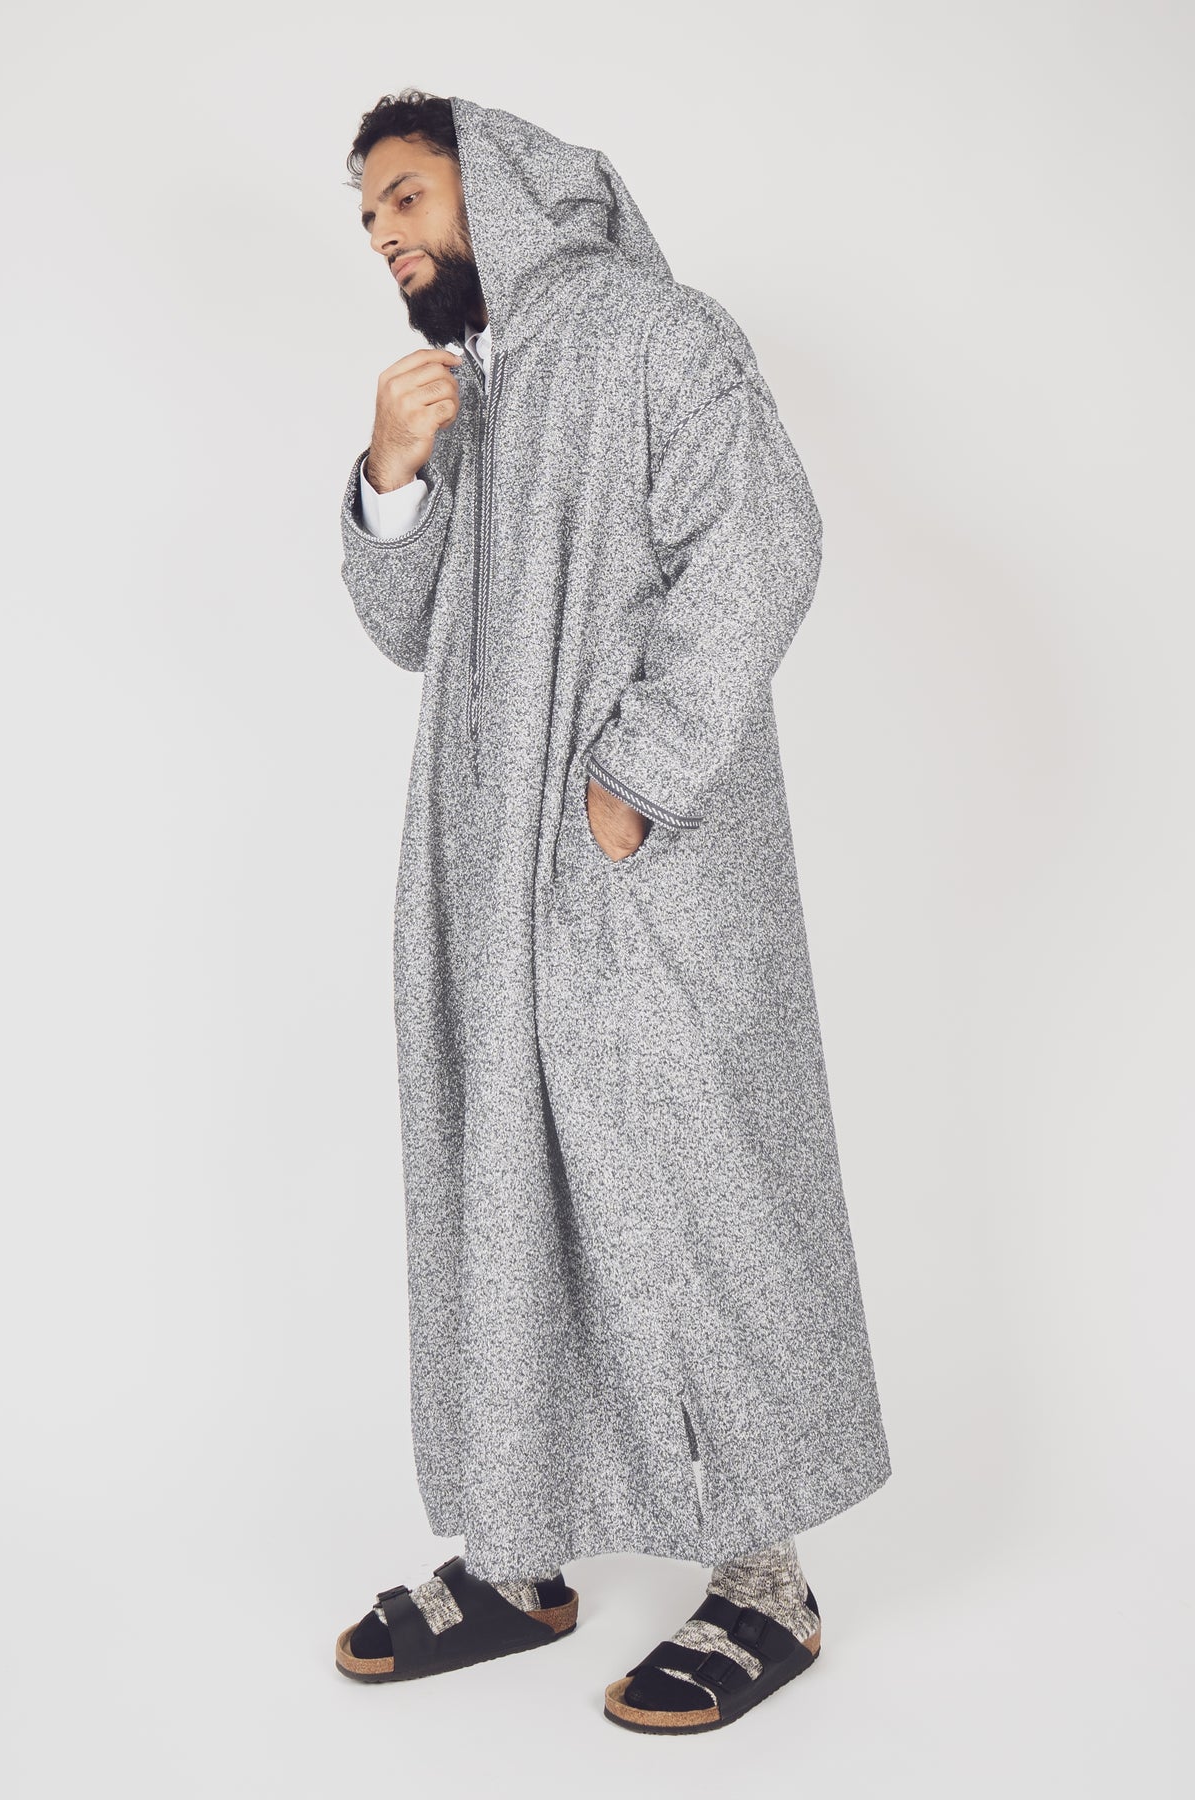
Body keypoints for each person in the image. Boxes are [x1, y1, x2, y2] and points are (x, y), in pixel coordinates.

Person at [332, 88, 892, 1735]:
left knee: (695, 1201)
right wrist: (392, 475)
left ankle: (766, 1583)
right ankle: (520, 1554)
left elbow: (766, 538)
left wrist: (633, 781)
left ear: (495, 180)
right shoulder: (474, 392)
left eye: (406, 196)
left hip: (642, 884)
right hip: (483, 887)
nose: (386, 238)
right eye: (368, 219)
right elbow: (411, 629)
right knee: (502, 1203)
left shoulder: (660, 333)